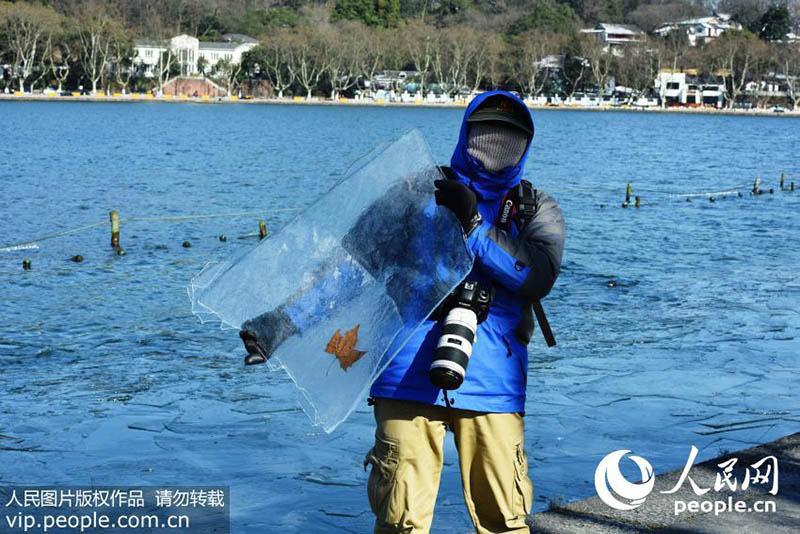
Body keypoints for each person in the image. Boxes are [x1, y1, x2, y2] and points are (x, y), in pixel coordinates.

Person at [363, 90, 565, 534]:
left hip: (494, 384)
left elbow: (537, 277)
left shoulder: (536, 208)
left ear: (526, 144)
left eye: (509, 136)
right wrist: (280, 322)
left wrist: (474, 226)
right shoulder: (415, 192)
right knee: (401, 523)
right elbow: (351, 263)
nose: (494, 144)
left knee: (504, 522)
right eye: (484, 132)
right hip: (404, 376)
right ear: (465, 132)